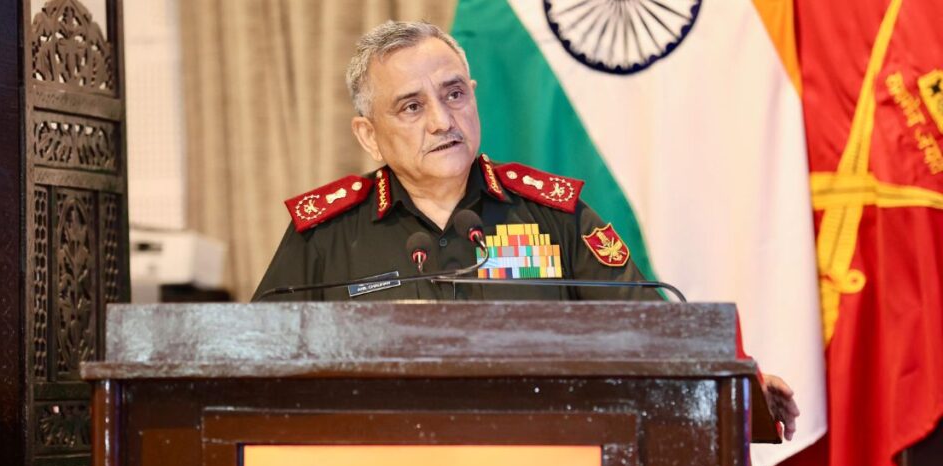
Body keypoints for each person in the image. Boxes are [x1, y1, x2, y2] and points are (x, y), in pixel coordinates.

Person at [251, 20, 799, 439]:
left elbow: (651, 332)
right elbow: (253, 365)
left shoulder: (556, 216)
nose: (442, 121)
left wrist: (737, 387)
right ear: (368, 135)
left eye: (454, 94)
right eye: (412, 107)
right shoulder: (323, 235)